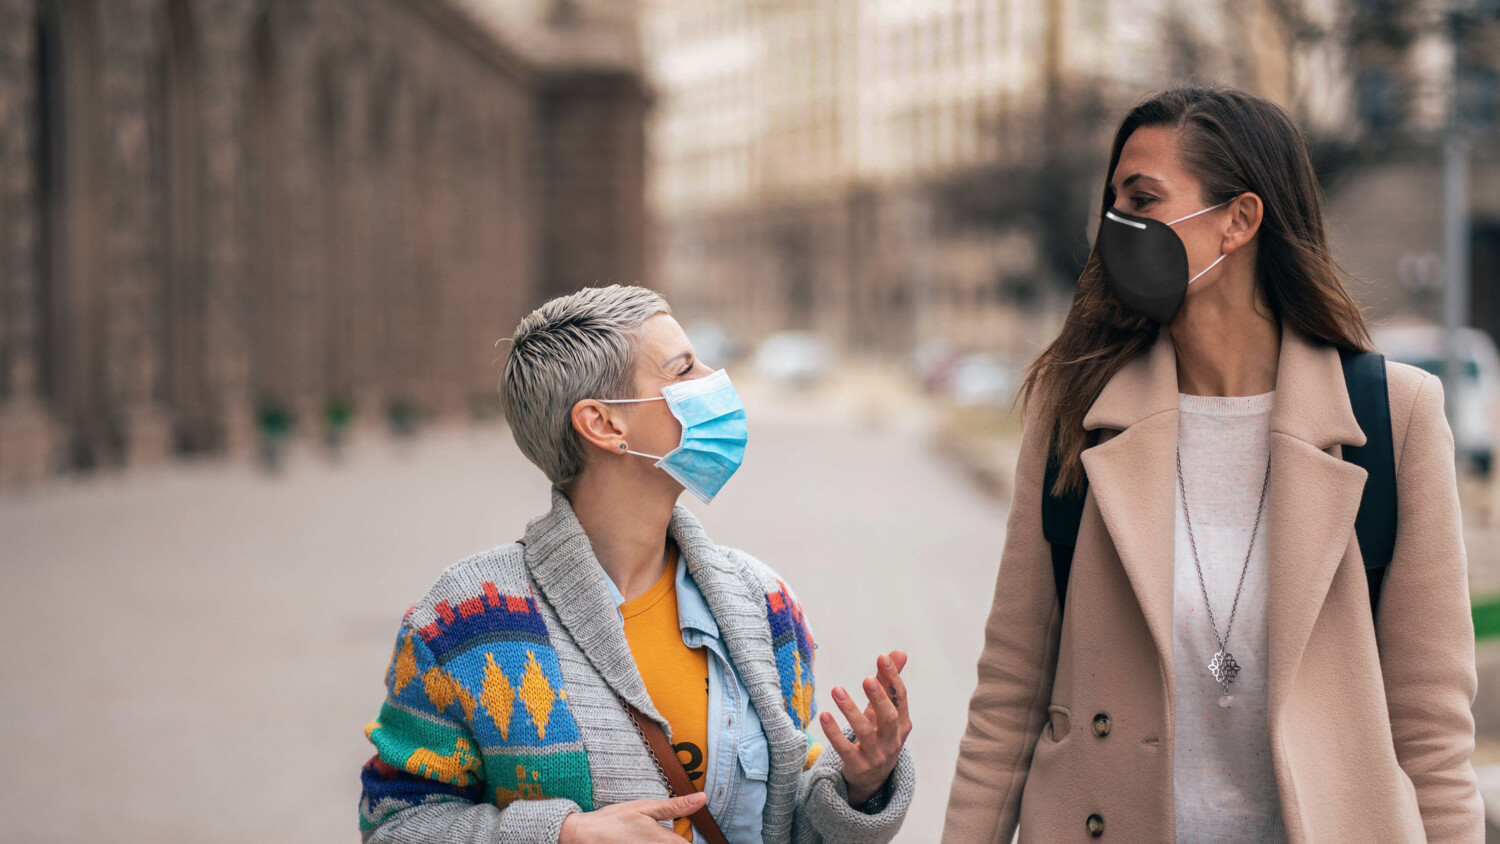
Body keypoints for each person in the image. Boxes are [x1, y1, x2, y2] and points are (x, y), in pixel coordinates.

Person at [943, 86, 1483, 842]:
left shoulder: (1394, 416)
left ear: (1240, 220)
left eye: (1145, 199)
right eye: (1115, 202)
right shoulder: (1078, 413)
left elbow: (1432, 731)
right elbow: (1009, 696)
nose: (1119, 225)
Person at [358, 284, 915, 844]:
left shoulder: (763, 604)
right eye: (684, 369)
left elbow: (789, 826)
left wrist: (858, 786)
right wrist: (563, 835)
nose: (715, 381)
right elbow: (394, 824)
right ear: (604, 424)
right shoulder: (466, 621)